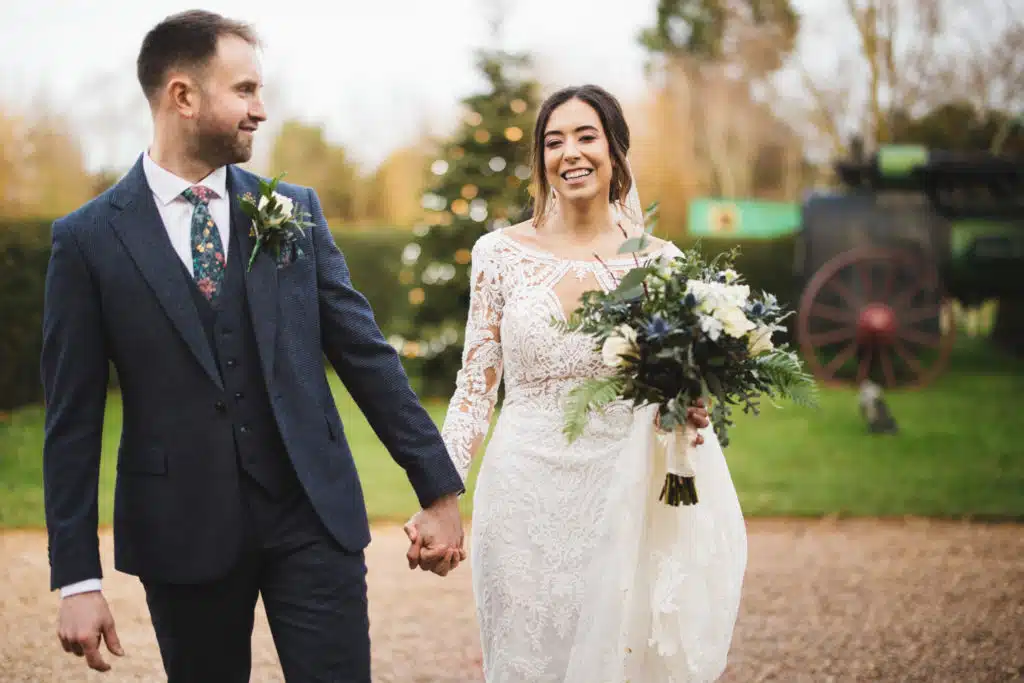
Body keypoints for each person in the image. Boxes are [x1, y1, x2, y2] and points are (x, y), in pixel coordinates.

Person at [40, 10, 465, 682]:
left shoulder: (292, 209)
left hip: (312, 514)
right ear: (182, 96)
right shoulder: (88, 240)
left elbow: (365, 354)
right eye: (243, 90)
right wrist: (76, 579)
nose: (260, 110)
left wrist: (437, 488)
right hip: (180, 529)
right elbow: (71, 421)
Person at [411, 84, 749, 682]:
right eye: (553, 141)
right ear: (541, 159)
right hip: (520, 495)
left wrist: (689, 401)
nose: (570, 152)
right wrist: (441, 494)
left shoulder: (658, 263)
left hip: (624, 492)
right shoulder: (497, 255)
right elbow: (473, 390)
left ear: (615, 151)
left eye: (586, 136)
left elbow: (676, 385)